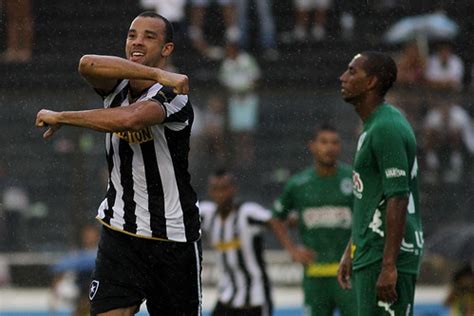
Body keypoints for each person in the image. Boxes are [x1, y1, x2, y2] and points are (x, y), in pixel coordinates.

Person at [35, 12, 201, 315]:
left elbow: (131, 118)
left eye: (149, 37)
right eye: (131, 35)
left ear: (167, 49)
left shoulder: (174, 96)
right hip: (120, 230)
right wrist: (158, 73)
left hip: (172, 236)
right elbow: (87, 64)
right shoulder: (116, 86)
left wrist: (63, 117)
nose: (137, 41)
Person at [337, 51, 424, 316]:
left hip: (384, 256)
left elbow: (398, 197)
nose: (343, 77)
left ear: (372, 82)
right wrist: (351, 248)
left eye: (352, 72)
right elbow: (373, 196)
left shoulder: (387, 128)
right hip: (370, 251)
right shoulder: (374, 126)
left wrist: (388, 266)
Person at [271, 125, 356, 316]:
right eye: (324, 142)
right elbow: (276, 218)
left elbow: (367, 219)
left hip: (350, 274)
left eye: (335, 142)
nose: (329, 147)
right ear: (312, 146)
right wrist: (293, 250)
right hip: (315, 276)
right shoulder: (299, 184)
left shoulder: (352, 178)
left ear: (340, 147)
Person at [200, 169, 273, 316]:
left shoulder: (247, 213)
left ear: (233, 189)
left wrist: (293, 249)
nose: (220, 194)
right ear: (210, 192)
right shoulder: (208, 214)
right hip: (227, 294)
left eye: (224, 188)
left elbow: (276, 221)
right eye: (216, 189)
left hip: (254, 297)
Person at [51, 224, 100, 316]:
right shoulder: (76, 255)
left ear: (97, 236)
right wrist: (54, 296)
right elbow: (59, 271)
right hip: (82, 290)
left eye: (91, 235)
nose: (88, 238)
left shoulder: (102, 254)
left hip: (99, 291)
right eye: (86, 236)